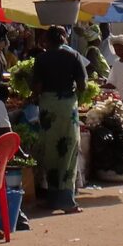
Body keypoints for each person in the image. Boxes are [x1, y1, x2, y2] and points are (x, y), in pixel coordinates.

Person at [32, 27, 87, 213]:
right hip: (67, 107)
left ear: (46, 40)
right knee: (69, 149)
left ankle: (52, 198)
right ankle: (67, 200)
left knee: (50, 150)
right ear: (64, 39)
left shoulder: (41, 59)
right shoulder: (74, 56)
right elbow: (82, 85)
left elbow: (37, 88)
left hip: (48, 107)